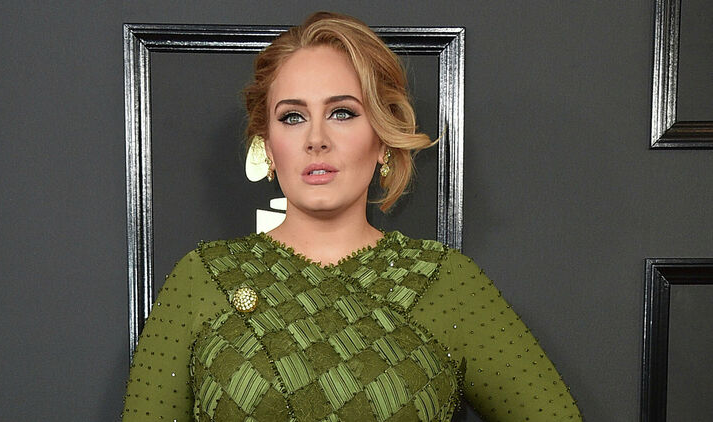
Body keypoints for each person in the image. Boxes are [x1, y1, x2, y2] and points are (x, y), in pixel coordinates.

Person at [121, 11, 582, 421]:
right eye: (293, 117)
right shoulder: (203, 278)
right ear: (267, 144)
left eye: (342, 113)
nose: (316, 139)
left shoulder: (446, 282)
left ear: (382, 137)